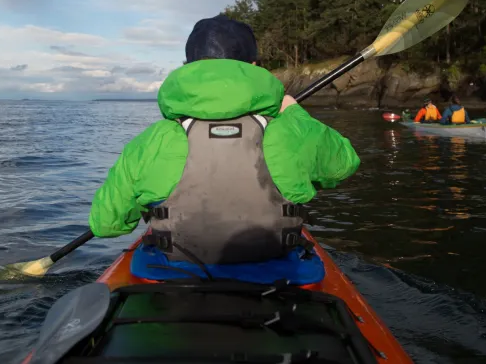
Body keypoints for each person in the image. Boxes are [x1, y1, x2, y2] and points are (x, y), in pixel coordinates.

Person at [87, 15, 360, 271]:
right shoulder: (290, 130)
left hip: (175, 273)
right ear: (254, 67)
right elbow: (344, 165)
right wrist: (294, 114)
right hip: (276, 269)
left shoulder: (152, 140)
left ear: (188, 67)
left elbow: (106, 224)